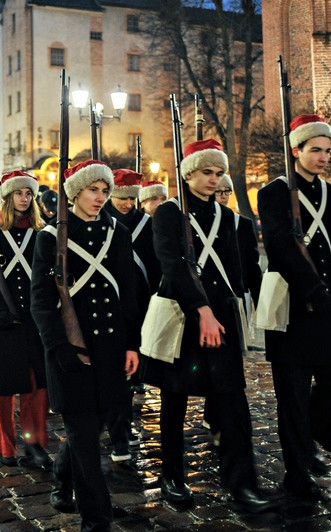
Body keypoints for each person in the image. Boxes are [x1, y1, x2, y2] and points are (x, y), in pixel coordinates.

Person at [140, 139, 276, 513]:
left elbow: (242, 271)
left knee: (233, 403)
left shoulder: (229, 218)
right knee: (174, 401)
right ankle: (172, 476)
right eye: (206, 173)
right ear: (188, 174)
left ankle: (243, 484)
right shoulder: (168, 213)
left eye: (218, 173)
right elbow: (172, 264)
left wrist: (263, 308)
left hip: (222, 318)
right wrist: (202, 311)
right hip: (184, 317)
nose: (214, 180)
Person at [30, 160, 139, 531]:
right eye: (93, 189)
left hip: (110, 347)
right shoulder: (50, 237)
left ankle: (63, 478)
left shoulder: (117, 233)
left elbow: (129, 292)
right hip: (70, 350)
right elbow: (41, 301)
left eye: (105, 191)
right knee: (84, 436)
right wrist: (59, 348)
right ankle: (97, 518)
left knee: (95, 428)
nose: (100, 198)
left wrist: (132, 344)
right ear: (75, 191)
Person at [257, 114, 331, 500]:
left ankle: (311, 438)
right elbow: (280, 245)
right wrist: (311, 289)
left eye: (327, 151)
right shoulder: (275, 193)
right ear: (296, 150)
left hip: (329, 301)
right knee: (293, 394)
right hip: (294, 306)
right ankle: (297, 471)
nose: (323, 157)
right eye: (315, 150)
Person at [0, 171, 51, 468]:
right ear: (7, 197)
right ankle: (3, 445)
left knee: (36, 386)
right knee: (0, 388)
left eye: (29, 194)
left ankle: (35, 443)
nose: (24, 198)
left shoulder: (43, 231)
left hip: (33, 318)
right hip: (1, 319)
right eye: (19, 193)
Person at [101, 168, 161, 462]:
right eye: (121, 197)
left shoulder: (147, 224)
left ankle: (121, 428)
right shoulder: (103, 223)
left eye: (131, 198)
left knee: (131, 369)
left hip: (142, 302)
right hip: (110, 303)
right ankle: (119, 434)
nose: (126, 203)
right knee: (116, 375)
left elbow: (157, 261)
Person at [203, 174, 263, 445]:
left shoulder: (241, 224)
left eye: (228, 191)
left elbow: (251, 265)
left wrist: (259, 299)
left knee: (230, 363)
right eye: (220, 191)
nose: (224, 195)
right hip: (207, 302)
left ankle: (218, 416)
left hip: (234, 301)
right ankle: (215, 416)